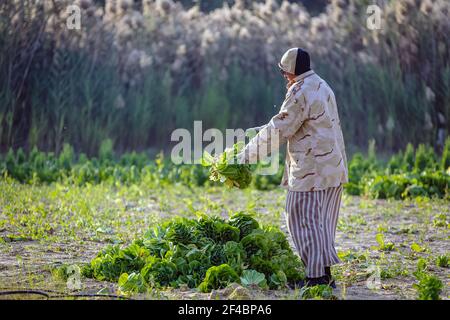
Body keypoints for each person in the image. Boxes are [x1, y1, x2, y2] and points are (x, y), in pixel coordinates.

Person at [238, 48, 348, 288]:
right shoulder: (322, 85)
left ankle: (316, 279)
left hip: (312, 171)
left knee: (299, 217)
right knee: (321, 223)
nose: (284, 77)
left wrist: (245, 156)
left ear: (291, 71)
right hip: (333, 168)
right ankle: (323, 275)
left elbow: (278, 130)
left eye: (284, 72)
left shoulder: (300, 91)